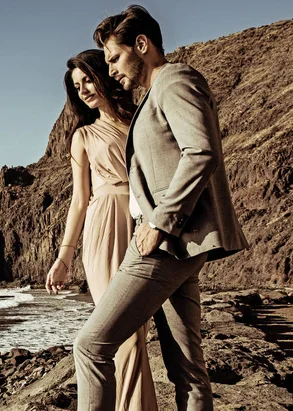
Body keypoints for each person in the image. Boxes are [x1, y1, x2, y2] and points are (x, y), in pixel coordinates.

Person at [70, 5, 249, 411]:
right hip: (178, 245)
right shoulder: (155, 93)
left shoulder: (174, 80)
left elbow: (201, 152)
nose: (111, 69)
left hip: (164, 243)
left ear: (142, 44)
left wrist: (160, 223)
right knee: (187, 367)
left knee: (90, 346)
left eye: (114, 58)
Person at [45, 49, 158, 411]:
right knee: (123, 334)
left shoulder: (143, 119)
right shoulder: (84, 136)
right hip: (105, 226)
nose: (83, 90)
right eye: (76, 86)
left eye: (87, 80)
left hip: (148, 220)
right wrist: (64, 258)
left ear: (104, 75)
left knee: (138, 332)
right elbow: (79, 201)